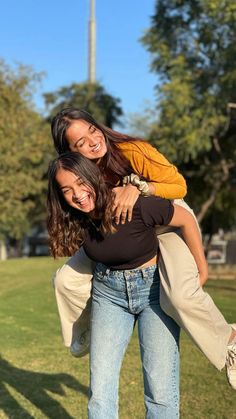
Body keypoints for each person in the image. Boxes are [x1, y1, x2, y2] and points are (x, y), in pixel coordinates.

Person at [50, 107, 236, 389]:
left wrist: (140, 188)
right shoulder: (82, 176)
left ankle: (231, 341)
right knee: (65, 280)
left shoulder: (133, 150)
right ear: (70, 153)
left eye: (92, 130)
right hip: (131, 232)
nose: (92, 141)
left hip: (167, 222)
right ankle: (85, 332)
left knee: (181, 297)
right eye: (80, 143)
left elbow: (179, 186)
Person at [47, 152, 209, 418]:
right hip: (108, 294)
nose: (77, 194)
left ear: (92, 176)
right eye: (67, 190)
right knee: (100, 390)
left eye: (80, 182)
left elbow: (185, 220)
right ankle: (80, 335)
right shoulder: (76, 221)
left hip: (154, 291)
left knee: (160, 391)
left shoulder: (133, 204)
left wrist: (201, 271)